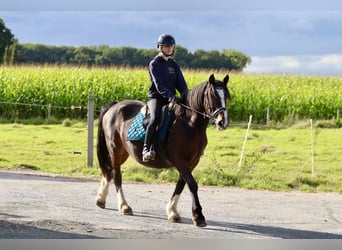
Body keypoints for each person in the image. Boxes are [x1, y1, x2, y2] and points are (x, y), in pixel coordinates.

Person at [142, 33, 189, 162]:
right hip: (156, 97)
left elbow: (181, 84)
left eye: (171, 46)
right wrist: (171, 97)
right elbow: (159, 85)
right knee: (156, 118)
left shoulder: (174, 64)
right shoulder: (154, 64)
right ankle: (146, 149)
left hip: (171, 98)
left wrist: (187, 97)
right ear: (160, 47)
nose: (169, 49)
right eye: (166, 46)